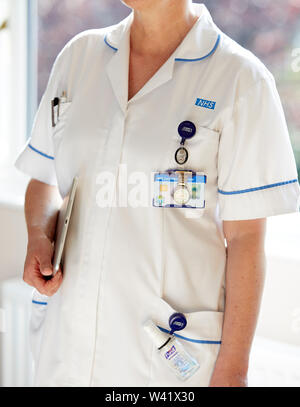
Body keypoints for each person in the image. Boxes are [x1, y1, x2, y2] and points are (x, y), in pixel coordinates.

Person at [15, 0, 300, 387]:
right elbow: (44, 179)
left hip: (165, 358)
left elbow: (246, 239)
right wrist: (38, 234)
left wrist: (233, 370)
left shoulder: (239, 79)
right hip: (68, 343)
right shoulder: (79, 57)